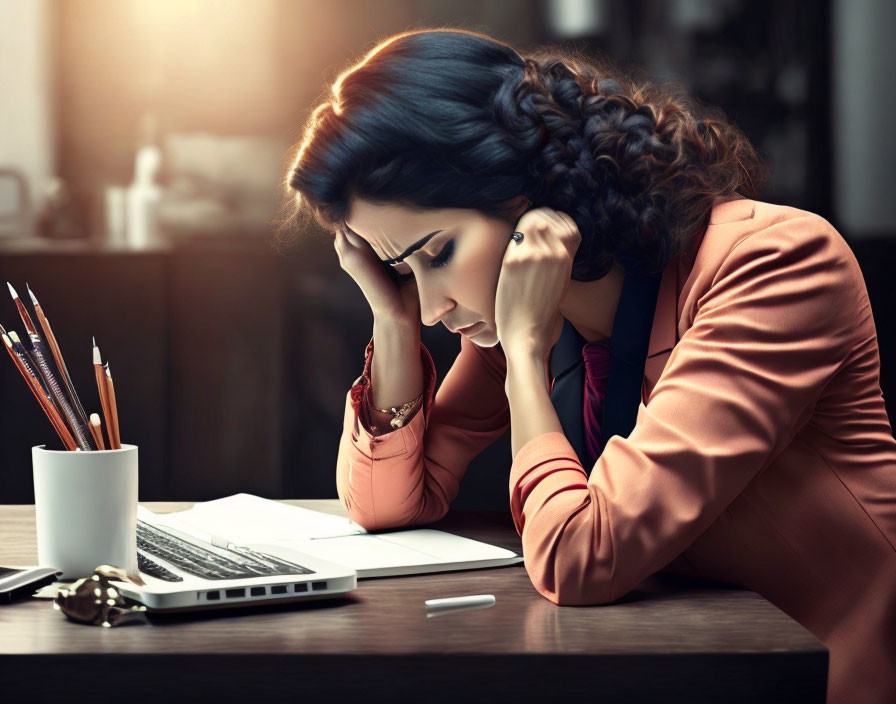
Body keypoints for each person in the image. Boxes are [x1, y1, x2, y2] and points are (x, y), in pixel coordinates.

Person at [283, 28, 896, 704]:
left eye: (439, 252)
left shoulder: (773, 265)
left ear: (529, 193)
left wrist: (521, 354)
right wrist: (392, 320)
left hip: (826, 676)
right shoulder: (524, 310)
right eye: (403, 270)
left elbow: (582, 557)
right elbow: (386, 504)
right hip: (673, 666)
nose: (433, 307)